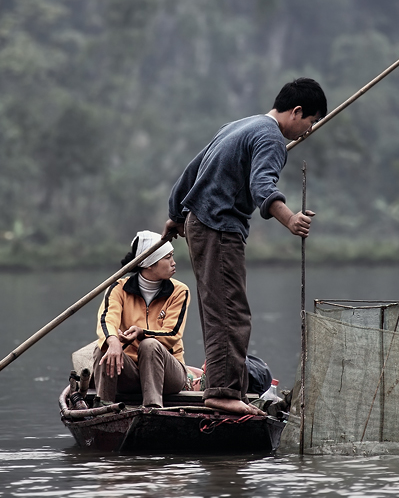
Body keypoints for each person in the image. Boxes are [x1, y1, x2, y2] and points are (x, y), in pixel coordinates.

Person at [162, 77, 327, 416]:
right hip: (219, 228)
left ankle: (222, 385)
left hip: (197, 221)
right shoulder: (271, 138)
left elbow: (191, 171)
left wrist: (175, 215)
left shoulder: (239, 126)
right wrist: (290, 220)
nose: (308, 131)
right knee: (230, 311)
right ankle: (222, 392)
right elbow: (261, 185)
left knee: (217, 308)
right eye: (310, 122)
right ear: (296, 112)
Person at [93, 230, 190, 408]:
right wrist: (113, 340)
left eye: (172, 256)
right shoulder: (118, 288)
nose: (173, 262)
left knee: (149, 344)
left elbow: (172, 333)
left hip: (168, 375)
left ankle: (152, 408)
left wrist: (141, 333)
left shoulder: (179, 291)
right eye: (167, 257)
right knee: (104, 348)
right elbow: (107, 320)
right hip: (129, 372)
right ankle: (103, 407)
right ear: (149, 265)